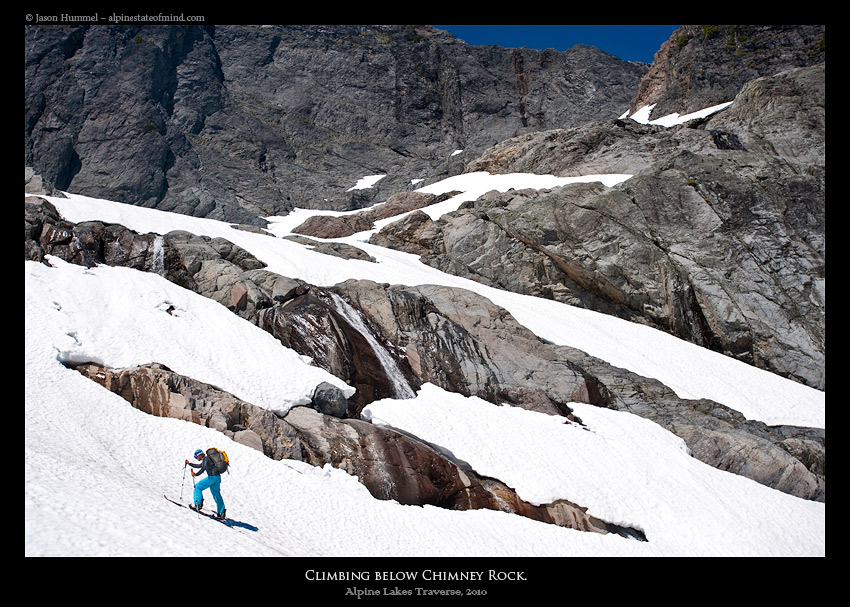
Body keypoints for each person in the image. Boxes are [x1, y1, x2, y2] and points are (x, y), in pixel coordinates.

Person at [185, 449, 226, 520]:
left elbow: (203, 467)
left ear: (199, 455)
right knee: (216, 495)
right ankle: (221, 513)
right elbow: (199, 466)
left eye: (196, 457)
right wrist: (190, 464)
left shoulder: (205, 459)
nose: (196, 458)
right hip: (217, 477)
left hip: (212, 477)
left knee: (198, 487)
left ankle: (198, 504)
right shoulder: (208, 459)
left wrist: (196, 474)